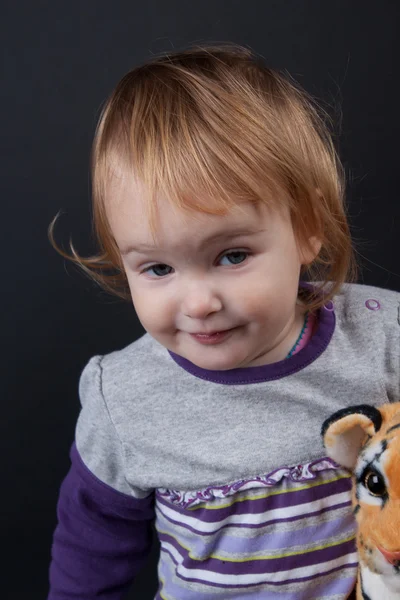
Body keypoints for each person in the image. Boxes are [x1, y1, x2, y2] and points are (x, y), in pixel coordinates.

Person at [47, 44, 399, 600]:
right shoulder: (124, 398)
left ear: (307, 227)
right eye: (158, 267)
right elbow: (92, 547)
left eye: (232, 256)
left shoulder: (382, 339)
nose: (199, 302)